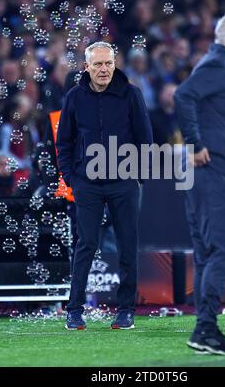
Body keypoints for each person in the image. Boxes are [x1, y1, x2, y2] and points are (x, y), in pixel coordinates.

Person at [175, 12, 225, 355]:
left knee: (208, 252)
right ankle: (205, 329)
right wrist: (194, 143)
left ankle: (204, 330)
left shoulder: (219, 65)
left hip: (205, 174)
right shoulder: (218, 64)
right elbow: (182, 96)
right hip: (212, 173)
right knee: (221, 249)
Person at [56, 41, 153, 330]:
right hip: (87, 184)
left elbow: (145, 139)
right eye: (97, 64)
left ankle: (126, 310)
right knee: (85, 245)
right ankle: (74, 310)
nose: (103, 69)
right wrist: (73, 180)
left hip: (124, 182)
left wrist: (138, 177)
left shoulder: (131, 95)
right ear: (86, 67)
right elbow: (64, 142)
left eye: (108, 63)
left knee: (127, 246)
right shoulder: (74, 96)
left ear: (115, 64)